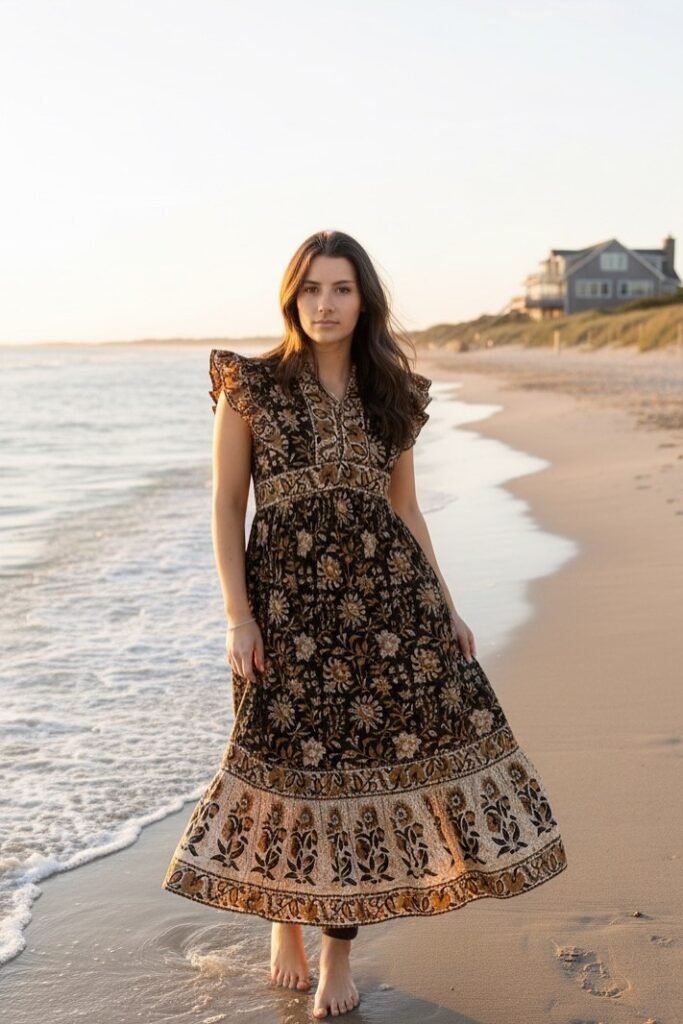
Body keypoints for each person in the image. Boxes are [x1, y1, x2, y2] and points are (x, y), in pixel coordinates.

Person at [162, 229, 568, 1019]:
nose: (324, 303)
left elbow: (405, 510)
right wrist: (236, 616)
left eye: (340, 288)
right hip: (283, 611)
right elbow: (224, 503)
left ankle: (337, 957)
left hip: (385, 613)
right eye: (311, 288)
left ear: (363, 297)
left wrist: (445, 606)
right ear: (292, 296)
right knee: (282, 774)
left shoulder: (393, 393)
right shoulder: (249, 385)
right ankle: (283, 926)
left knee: (357, 779)